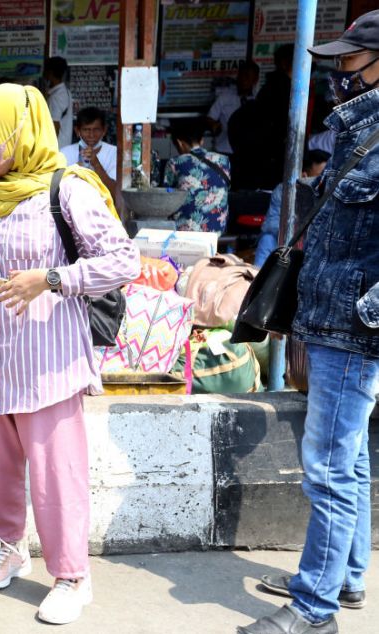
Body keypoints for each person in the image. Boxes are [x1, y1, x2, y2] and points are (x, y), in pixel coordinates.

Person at [0, 83, 139, 626]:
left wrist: (51, 279)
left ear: (17, 135)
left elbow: (123, 261)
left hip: (45, 358)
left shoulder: (68, 189)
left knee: (57, 473)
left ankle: (72, 576)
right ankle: (6, 547)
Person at [240, 12, 379, 634]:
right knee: (344, 462)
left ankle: (314, 607)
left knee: (326, 465)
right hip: (332, 320)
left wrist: (364, 315)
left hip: (354, 329)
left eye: (350, 60)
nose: (339, 71)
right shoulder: (360, 132)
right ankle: (343, 579)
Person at [253, 149, 329, 267]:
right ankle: (257, 280)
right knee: (267, 240)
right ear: (304, 176)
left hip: (317, 248)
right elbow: (270, 224)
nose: (325, 181)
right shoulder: (284, 191)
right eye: (319, 177)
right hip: (288, 242)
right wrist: (295, 227)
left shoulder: (333, 193)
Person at [163, 118, 231, 233]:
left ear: (179, 143)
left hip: (185, 230)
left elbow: (167, 197)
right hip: (217, 228)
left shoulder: (175, 162)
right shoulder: (224, 160)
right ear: (202, 140)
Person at [60, 107, 118, 197]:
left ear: (104, 130)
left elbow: (115, 192)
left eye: (96, 129)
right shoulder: (64, 153)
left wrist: (96, 164)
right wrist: (74, 170)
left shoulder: (114, 153)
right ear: (77, 131)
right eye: (86, 130)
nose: (91, 135)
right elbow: (56, 189)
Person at [206, 61, 260, 156]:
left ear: (255, 80)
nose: (243, 79)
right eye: (241, 75)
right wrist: (215, 125)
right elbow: (210, 118)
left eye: (247, 76)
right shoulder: (225, 96)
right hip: (225, 149)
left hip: (250, 151)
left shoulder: (259, 99)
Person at [44, 57, 74, 148]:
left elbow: (55, 125)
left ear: (50, 72)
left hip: (58, 147)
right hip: (64, 144)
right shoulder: (65, 91)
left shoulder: (56, 97)